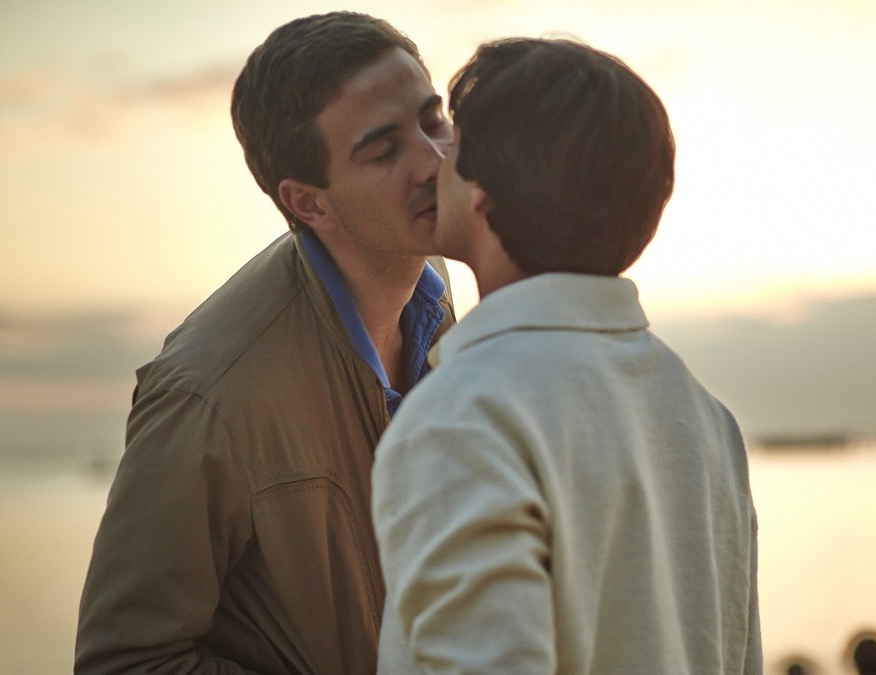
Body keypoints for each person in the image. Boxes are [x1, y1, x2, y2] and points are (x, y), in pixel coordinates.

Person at [75, 12, 455, 673]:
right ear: (309, 204)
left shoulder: (439, 290)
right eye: (384, 149)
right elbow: (125, 660)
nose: (434, 159)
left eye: (433, 120)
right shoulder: (208, 394)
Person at [372, 37, 762, 673]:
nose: (434, 159)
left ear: (484, 194)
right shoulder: (706, 420)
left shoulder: (463, 419)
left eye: (455, 142)